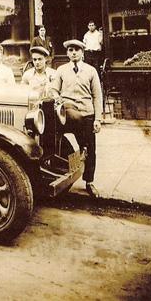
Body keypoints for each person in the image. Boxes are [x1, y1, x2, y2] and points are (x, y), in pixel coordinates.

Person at [48, 39, 103, 199]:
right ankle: (59, 175)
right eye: (70, 49)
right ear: (67, 53)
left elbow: (97, 96)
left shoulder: (91, 71)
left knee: (90, 148)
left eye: (77, 50)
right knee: (57, 141)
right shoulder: (61, 70)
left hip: (86, 114)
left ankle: (89, 182)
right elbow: (53, 90)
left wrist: (97, 119)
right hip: (66, 113)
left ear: (82, 52)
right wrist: (59, 100)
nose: (73, 52)